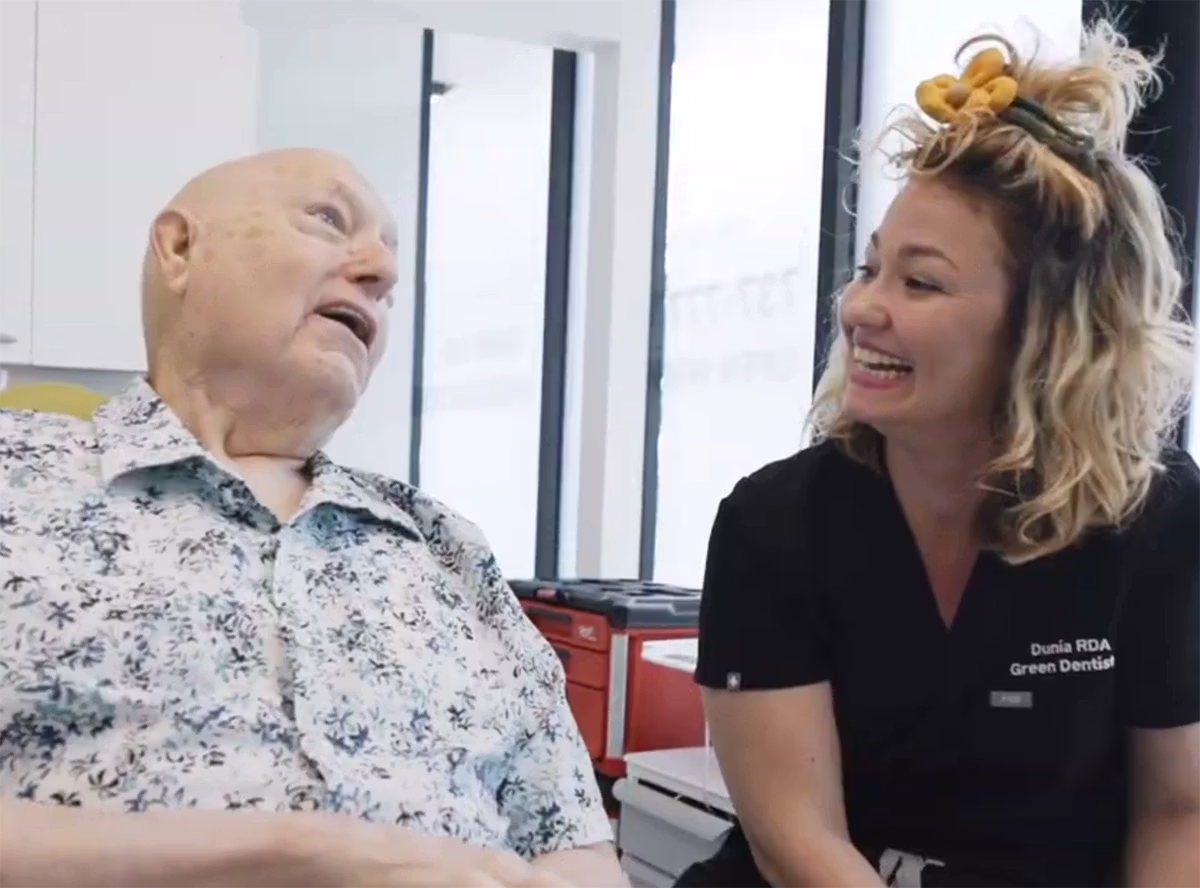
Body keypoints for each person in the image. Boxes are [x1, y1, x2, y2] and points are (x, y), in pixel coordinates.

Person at [0, 148, 626, 888]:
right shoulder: (20, 475)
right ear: (180, 248)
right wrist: (299, 855)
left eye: (391, 270)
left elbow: (576, 848)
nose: (383, 275)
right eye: (329, 220)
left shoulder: (444, 546)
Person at [680, 22, 1200, 888]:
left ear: (1047, 332)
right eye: (871, 268)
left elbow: (1179, 812)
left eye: (919, 282)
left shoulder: (1159, 518)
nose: (860, 309)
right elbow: (795, 841)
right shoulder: (776, 524)